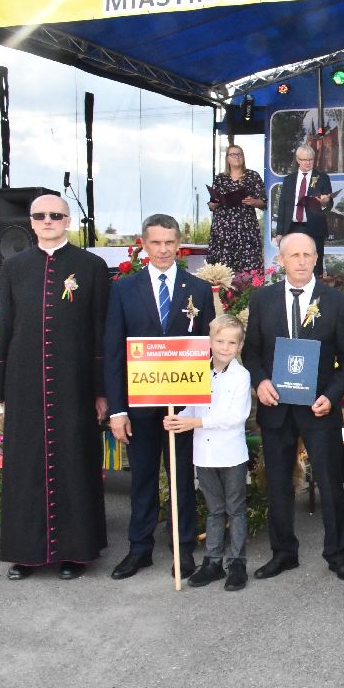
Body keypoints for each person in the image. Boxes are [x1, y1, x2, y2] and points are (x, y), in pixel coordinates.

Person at [0, 194, 110, 580]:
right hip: (25, 384)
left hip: (74, 383)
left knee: (75, 462)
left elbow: (100, 332)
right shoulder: (14, 267)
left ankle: (76, 552)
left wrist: (101, 390)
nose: (47, 221)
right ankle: (25, 553)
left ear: (67, 220)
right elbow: (5, 328)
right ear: (31, 222)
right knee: (25, 466)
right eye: (40, 215)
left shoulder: (91, 266)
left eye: (55, 215)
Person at [241, 232, 344, 581]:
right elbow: (251, 352)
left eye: (308, 254)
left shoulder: (336, 301)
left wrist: (332, 395)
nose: (302, 261)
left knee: (330, 483)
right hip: (276, 406)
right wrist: (260, 381)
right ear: (281, 260)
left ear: (316, 258)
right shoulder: (262, 300)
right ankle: (283, 553)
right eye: (294, 255)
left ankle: (338, 555)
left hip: (318, 408)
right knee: (278, 483)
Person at [105, 214, 215, 580]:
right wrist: (117, 410)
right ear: (143, 245)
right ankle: (139, 549)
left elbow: (208, 350)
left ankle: (183, 549)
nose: (163, 249)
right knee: (142, 479)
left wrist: (201, 405)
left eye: (169, 242)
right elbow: (113, 351)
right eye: (156, 242)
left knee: (182, 477)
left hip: (182, 405)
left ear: (178, 244)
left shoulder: (198, 289)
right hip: (139, 405)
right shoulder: (124, 289)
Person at [163, 314, 253, 591]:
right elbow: (193, 407)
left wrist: (195, 422)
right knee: (214, 510)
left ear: (239, 346)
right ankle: (213, 562)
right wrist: (178, 419)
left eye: (231, 343)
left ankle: (236, 563)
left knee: (235, 508)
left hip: (231, 454)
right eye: (220, 341)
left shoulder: (242, 376)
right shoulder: (198, 372)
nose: (225, 347)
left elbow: (235, 417)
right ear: (210, 342)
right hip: (204, 453)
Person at [274, 145, 333, 277]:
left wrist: (325, 202)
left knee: (315, 266)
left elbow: (329, 204)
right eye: (304, 160)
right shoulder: (289, 180)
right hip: (292, 227)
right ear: (297, 160)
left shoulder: (322, 178)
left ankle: (316, 288)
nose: (307, 163)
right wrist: (279, 232)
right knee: (292, 263)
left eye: (310, 159)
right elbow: (282, 206)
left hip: (314, 228)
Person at [207, 144, 265, 273]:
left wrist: (253, 201)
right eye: (233, 154)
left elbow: (263, 202)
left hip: (246, 229)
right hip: (223, 229)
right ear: (227, 158)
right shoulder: (220, 178)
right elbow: (212, 204)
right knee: (222, 269)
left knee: (248, 268)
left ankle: (248, 286)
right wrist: (215, 203)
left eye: (239, 154)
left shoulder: (252, 176)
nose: (237, 157)